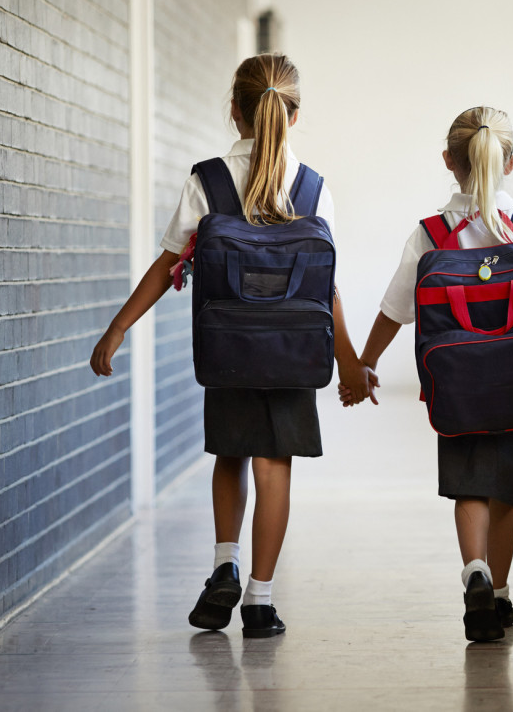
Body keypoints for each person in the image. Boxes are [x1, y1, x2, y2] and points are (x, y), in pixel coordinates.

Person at [90, 53, 375, 638]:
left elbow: (167, 261)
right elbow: (329, 289)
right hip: (294, 353)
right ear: (293, 116)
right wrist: (350, 362)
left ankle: (224, 563)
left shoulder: (209, 179)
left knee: (231, 456)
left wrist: (118, 327)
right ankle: (260, 601)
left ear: (234, 110)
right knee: (275, 468)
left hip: (227, 351)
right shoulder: (313, 187)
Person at [345, 106, 513, 642]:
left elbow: (394, 308)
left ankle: (474, 571)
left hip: (456, 383)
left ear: (449, 162)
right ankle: (498, 593)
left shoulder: (431, 233)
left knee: (469, 486)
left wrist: (365, 362)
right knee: (506, 492)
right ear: (512, 163)